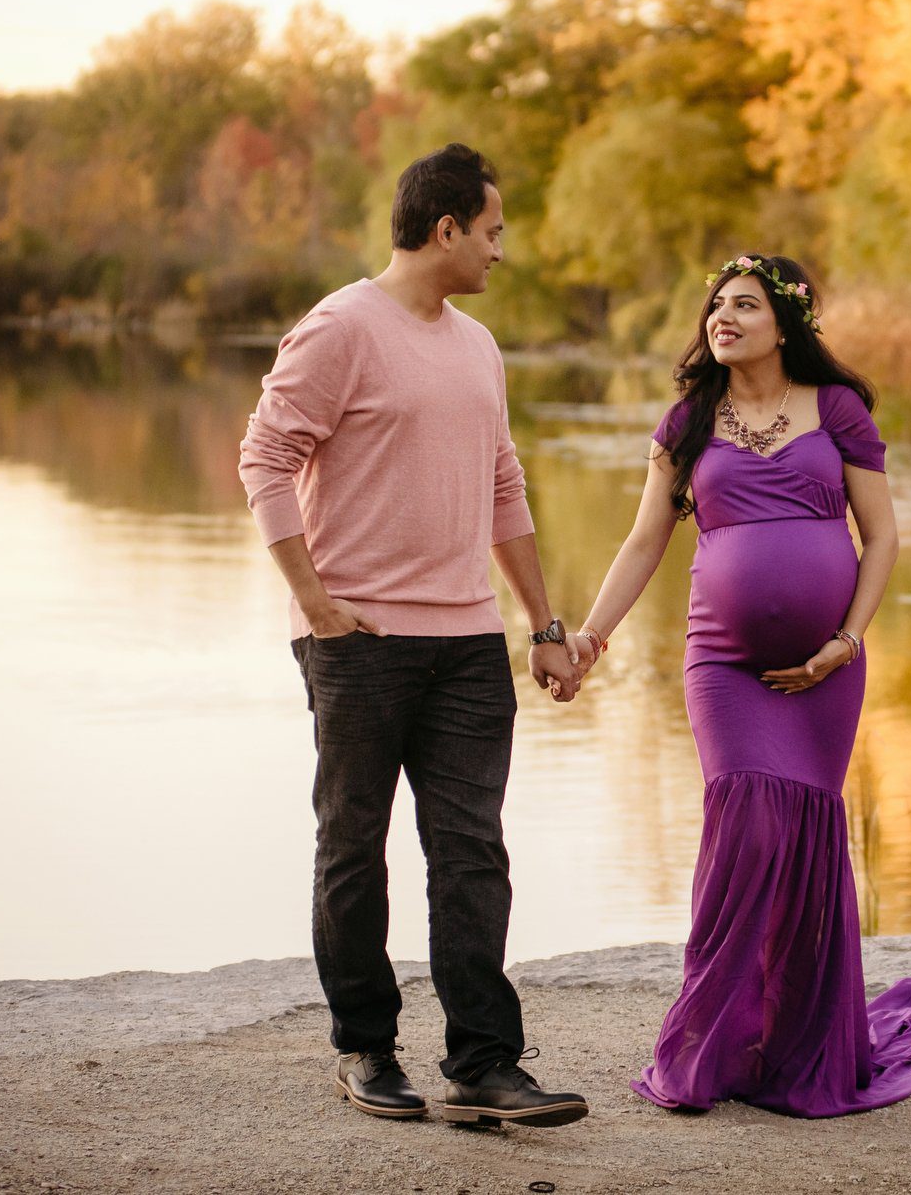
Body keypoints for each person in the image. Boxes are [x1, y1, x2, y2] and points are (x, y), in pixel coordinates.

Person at [570, 253, 911, 1118]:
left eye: (744, 304)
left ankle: (797, 1047)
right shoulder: (689, 421)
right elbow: (641, 543)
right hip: (722, 662)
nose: (722, 317)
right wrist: (592, 637)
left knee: (805, 842)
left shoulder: (837, 410)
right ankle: (706, 1046)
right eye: (716, 306)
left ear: (787, 322)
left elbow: (881, 537)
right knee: (745, 827)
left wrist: (846, 641)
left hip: (826, 672)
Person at [237, 144, 588, 1129]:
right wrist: (311, 599)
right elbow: (264, 457)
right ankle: (366, 1046)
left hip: (468, 641)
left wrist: (542, 623)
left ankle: (484, 1061)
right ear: (446, 231)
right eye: (491, 231)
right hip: (358, 637)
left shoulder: (477, 344)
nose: (498, 250)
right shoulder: (339, 328)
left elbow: (503, 485)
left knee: (471, 850)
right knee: (353, 848)